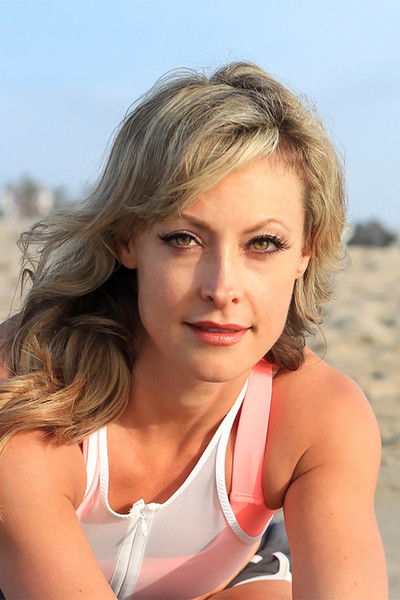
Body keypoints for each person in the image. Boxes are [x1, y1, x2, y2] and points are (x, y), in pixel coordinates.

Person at [0, 62, 387, 600]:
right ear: (126, 238)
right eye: (184, 238)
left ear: (307, 251)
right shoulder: (28, 390)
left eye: (263, 243)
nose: (222, 288)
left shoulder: (319, 417)